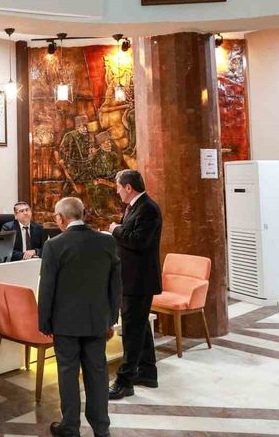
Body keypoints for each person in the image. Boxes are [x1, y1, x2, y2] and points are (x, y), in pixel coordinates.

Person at [38, 197, 120, 437]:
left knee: (68, 374)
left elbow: (47, 288)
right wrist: (111, 319)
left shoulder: (54, 246)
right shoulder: (106, 241)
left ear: (60, 218)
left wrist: (44, 322)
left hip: (65, 324)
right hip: (96, 321)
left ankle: (70, 426)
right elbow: (115, 284)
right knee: (97, 374)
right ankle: (101, 428)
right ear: (82, 214)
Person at [108, 169, 163, 399]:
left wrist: (115, 230)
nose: (117, 192)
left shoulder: (148, 208)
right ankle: (147, 372)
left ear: (128, 187)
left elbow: (139, 241)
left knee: (132, 331)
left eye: (118, 187)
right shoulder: (135, 207)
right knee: (140, 327)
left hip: (139, 280)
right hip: (131, 278)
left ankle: (125, 382)